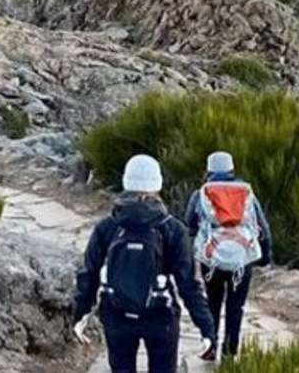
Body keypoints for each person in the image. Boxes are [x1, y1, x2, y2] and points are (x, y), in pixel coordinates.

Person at [72, 154, 216, 373]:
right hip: (161, 316)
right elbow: (188, 285)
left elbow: (88, 274)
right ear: (157, 183)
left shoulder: (107, 227)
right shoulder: (173, 229)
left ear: (126, 182)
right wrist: (206, 328)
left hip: (116, 314)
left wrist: (80, 313)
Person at [183, 151, 272, 362]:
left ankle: (210, 344)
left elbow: (190, 226)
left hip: (212, 260)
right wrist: (265, 255)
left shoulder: (201, 194)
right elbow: (262, 227)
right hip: (242, 260)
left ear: (209, 171)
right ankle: (230, 351)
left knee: (212, 302)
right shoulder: (246, 192)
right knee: (236, 306)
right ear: (232, 170)